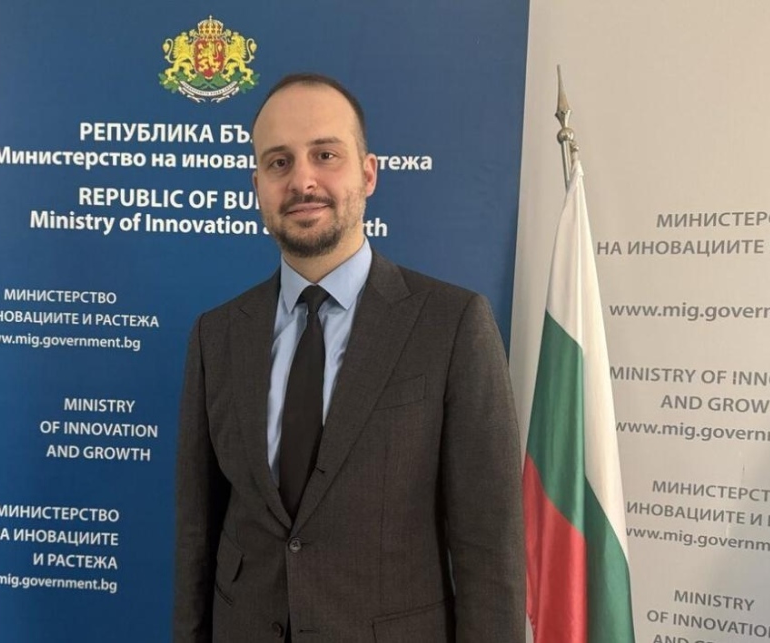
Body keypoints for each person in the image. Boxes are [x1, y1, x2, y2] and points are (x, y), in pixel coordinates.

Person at [173, 72, 524, 643]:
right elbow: (197, 536)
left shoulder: (453, 324)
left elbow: (490, 550)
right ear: (257, 185)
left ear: (368, 173)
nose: (302, 180)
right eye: (279, 162)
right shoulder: (216, 335)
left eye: (325, 154)